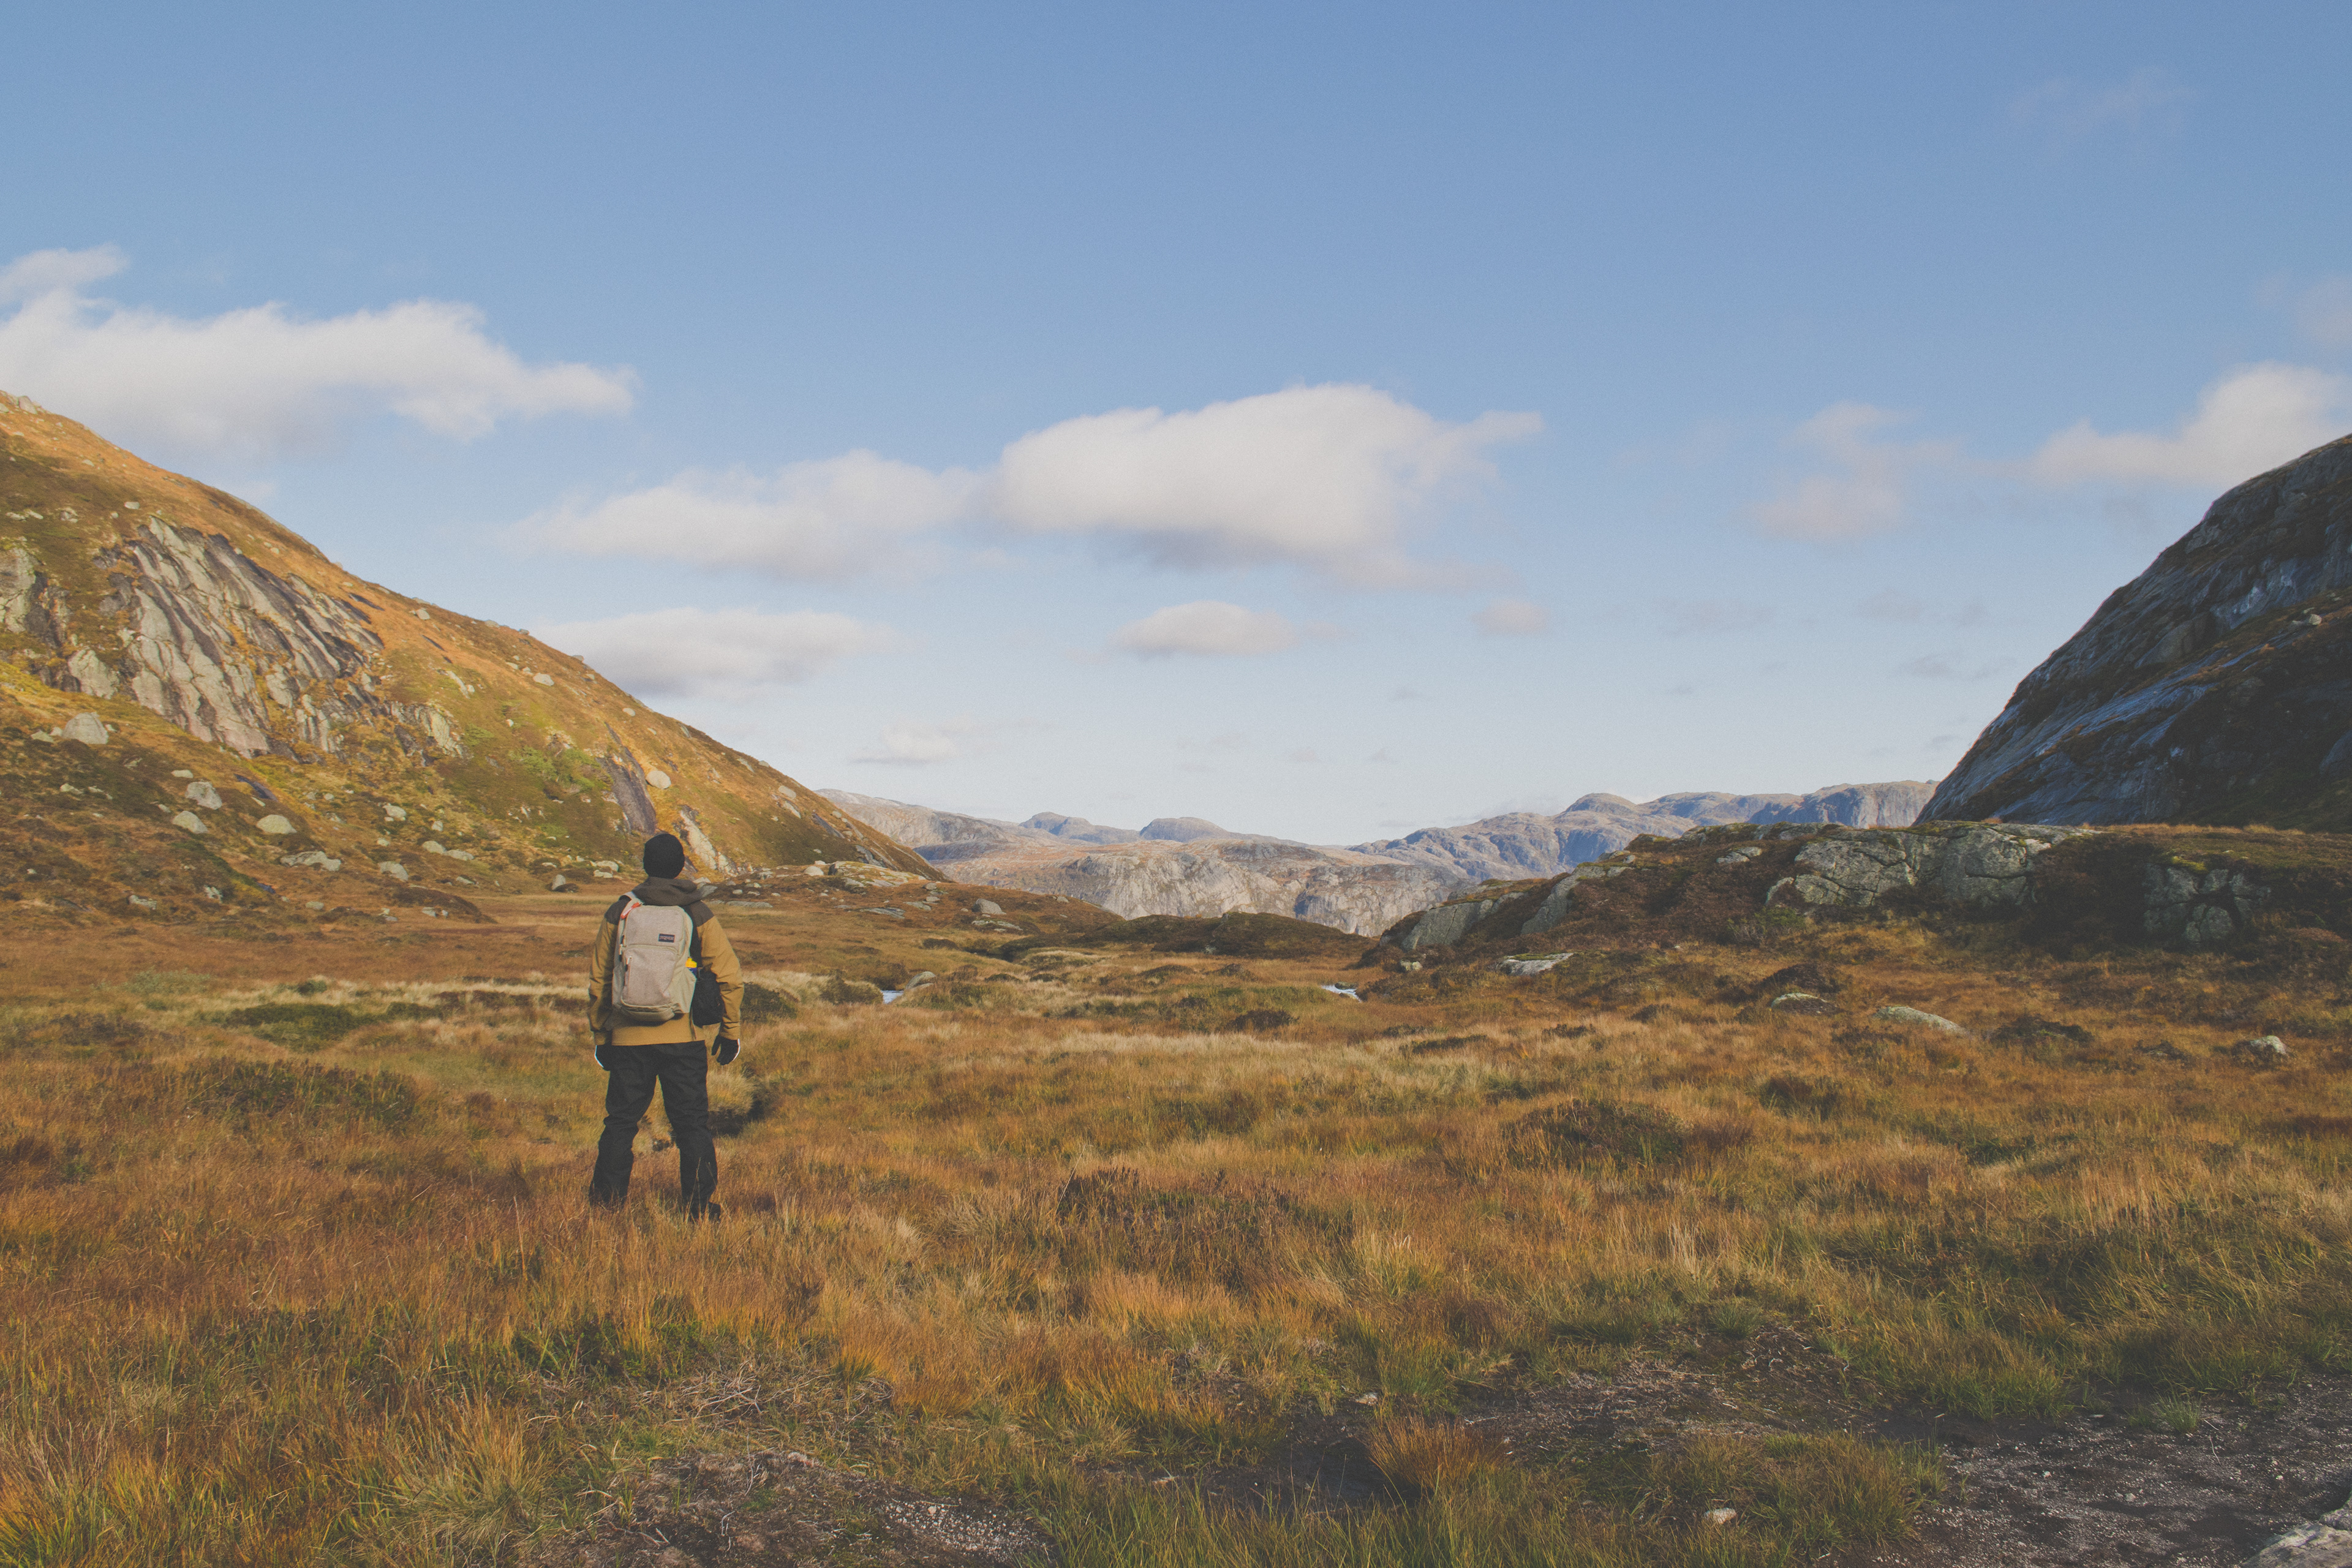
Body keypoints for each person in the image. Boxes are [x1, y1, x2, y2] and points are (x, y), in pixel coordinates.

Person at [586, 831, 744, 1219]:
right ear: (680, 866)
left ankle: (606, 1207)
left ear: (645, 866)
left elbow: (600, 978)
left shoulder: (621, 911)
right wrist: (730, 1031)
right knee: (692, 1125)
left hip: (626, 1038)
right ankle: (698, 1208)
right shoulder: (697, 912)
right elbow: (729, 976)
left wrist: (602, 1033)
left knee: (621, 1122)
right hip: (682, 1038)